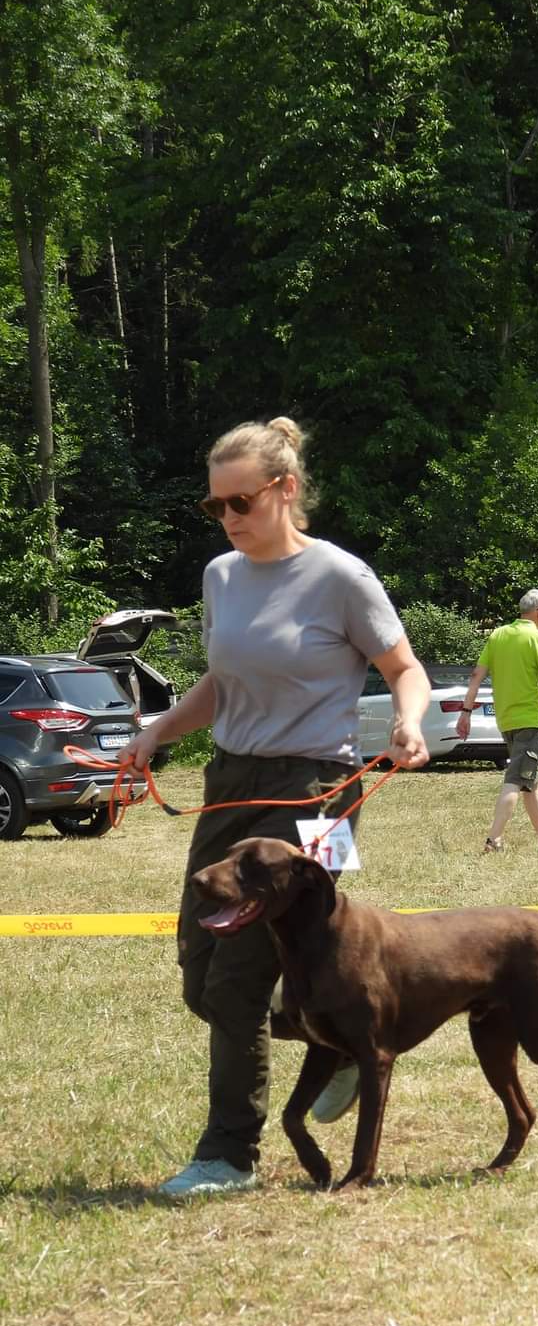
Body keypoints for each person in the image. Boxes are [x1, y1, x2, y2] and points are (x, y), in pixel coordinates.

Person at [123, 416, 431, 1198]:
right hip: (232, 782)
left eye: (242, 501)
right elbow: (224, 684)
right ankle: (338, 1045)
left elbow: (405, 668)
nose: (228, 518)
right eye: (215, 506)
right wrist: (158, 730)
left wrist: (408, 721)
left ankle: (229, 1155)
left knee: (241, 980)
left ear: (285, 489)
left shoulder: (340, 577)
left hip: (314, 791)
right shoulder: (221, 577)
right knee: (203, 972)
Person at [455, 589, 538, 853]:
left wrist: (466, 711)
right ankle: (494, 840)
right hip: (529, 719)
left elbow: (476, 675)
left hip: (506, 719)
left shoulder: (498, 635)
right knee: (516, 778)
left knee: (530, 782)